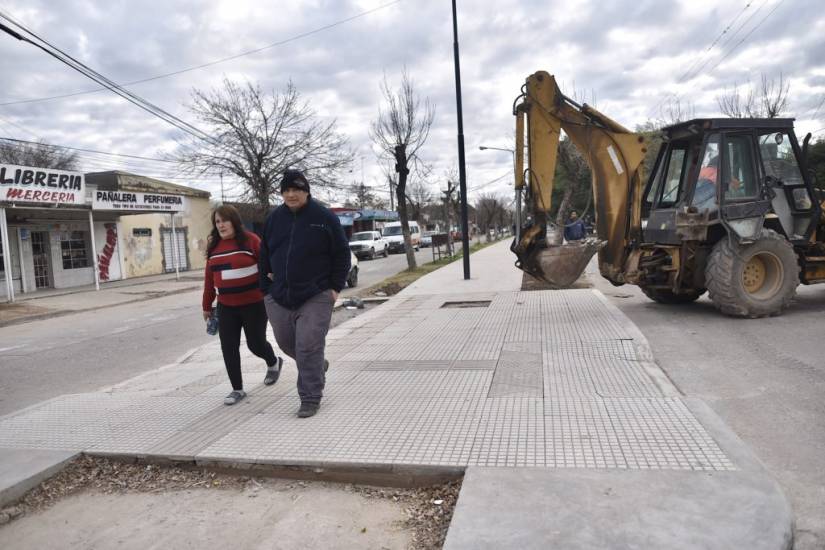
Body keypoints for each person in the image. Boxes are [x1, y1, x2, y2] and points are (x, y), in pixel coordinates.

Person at [260, 169, 351, 418]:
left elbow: (342, 253)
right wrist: (265, 290)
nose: (291, 194)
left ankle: (310, 397)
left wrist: (334, 288)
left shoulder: (323, 216)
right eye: (286, 190)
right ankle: (317, 366)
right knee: (286, 342)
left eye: (296, 190)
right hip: (279, 295)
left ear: (306, 191)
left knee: (308, 345)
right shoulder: (274, 219)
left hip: (316, 293)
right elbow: (264, 255)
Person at [202, 205, 284, 406]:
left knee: (255, 344)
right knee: (228, 347)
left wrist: (273, 288)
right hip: (226, 306)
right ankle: (237, 389)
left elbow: (268, 266)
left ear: (234, 221)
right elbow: (209, 280)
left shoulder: (251, 241)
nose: (221, 225)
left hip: (253, 304)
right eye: (217, 221)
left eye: (224, 220)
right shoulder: (214, 247)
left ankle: (273, 362)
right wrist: (206, 305)